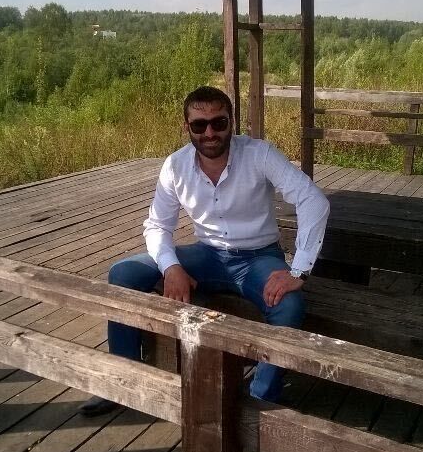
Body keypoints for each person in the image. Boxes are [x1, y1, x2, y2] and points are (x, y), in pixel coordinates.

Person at [80, 85, 330, 416]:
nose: (210, 133)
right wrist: (171, 267)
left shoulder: (259, 154)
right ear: (187, 126)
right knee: (123, 273)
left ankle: (258, 400)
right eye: (199, 125)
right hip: (207, 254)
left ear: (231, 122)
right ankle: (123, 379)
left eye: (218, 122)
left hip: (257, 257)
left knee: (289, 304)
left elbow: (313, 200)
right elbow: (157, 225)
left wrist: (298, 270)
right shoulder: (175, 165)